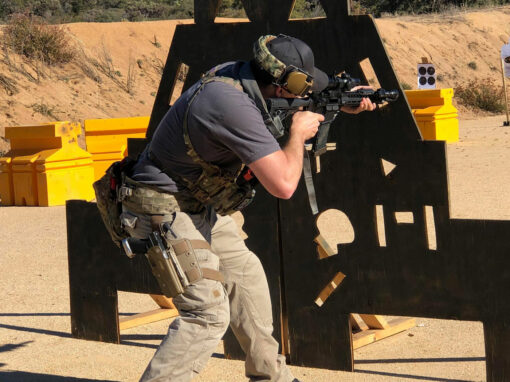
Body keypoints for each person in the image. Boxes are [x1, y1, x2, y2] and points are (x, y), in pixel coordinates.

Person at [119, 34, 375, 382]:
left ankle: (271, 377)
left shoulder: (246, 75)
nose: (306, 93)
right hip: (159, 206)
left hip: (196, 203)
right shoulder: (230, 105)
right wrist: (297, 135)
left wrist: (343, 99)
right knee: (206, 313)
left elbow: (312, 87)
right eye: (301, 88)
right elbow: (283, 185)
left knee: (246, 275)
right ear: (280, 84)